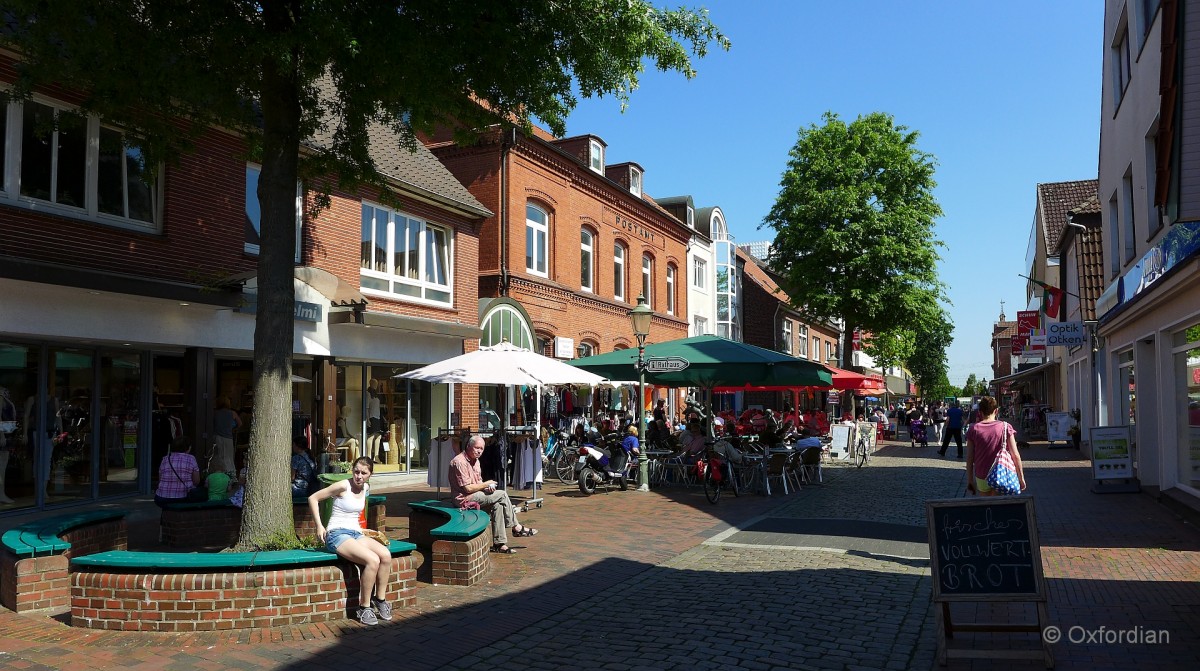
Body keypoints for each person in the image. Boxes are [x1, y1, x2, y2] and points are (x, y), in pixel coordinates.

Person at [309, 456, 392, 626]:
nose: (359, 476)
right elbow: (313, 498)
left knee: (385, 555)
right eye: (356, 471)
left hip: (355, 533)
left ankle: (380, 600)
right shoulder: (342, 486)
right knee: (372, 560)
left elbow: (355, 514)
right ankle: (364, 607)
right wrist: (319, 526)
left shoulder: (366, 488)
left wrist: (364, 529)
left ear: (370, 474)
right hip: (336, 534)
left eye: (363, 473)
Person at [449, 435, 539, 555]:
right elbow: (468, 488)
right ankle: (516, 527)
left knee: (498, 505)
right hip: (464, 499)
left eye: (482, 448)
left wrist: (488, 488)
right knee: (502, 494)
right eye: (477, 448)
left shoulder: (476, 461)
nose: (479, 451)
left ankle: (499, 544)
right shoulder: (459, 462)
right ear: (468, 446)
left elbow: (478, 483)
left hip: (476, 495)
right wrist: (486, 484)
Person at [964, 396, 1026, 496]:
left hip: (982, 474)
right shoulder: (1005, 427)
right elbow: (1015, 455)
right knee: (1000, 507)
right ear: (996, 411)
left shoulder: (973, 429)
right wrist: (1021, 478)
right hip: (1001, 474)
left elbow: (970, 457)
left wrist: (970, 480)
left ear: (980, 412)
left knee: (987, 508)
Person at [154, 438, 203, 506]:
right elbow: (196, 481)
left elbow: (160, 480)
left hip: (161, 498)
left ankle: (166, 515)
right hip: (184, 497)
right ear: (188, 448)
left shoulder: (165, 459)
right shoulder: (191, 458)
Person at [212, 396, 241, 473]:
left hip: (217, 437)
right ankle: (230, 474)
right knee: (228, 458)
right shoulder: (232, 413)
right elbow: (240, 423)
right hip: (228, 438)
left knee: (218, 456)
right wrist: (233, 429)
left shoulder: (214, 413)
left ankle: (218, 473)